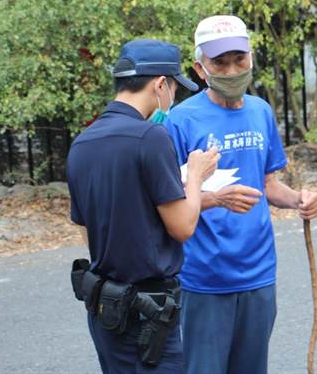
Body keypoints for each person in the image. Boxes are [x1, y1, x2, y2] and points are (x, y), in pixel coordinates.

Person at [163, 15, 317, 374]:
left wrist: (299, 199)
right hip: (204, 275)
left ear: (251, 58)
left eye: (239, 60)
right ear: (200, 68)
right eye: (220, 62)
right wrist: (216, 199)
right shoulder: (181, 121)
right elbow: (169, 204)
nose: (232, 70)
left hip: (259, 270)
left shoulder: (261, 111)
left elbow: (268, 186)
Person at [67, 39, 220, 373]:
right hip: (149, 313)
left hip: (105, 309)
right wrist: (195, 176)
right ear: (160, 84)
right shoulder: (150, 137)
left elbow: (88, 227)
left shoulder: (82, 143)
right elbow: (182, 227)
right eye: (175, 88)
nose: (172, 98)